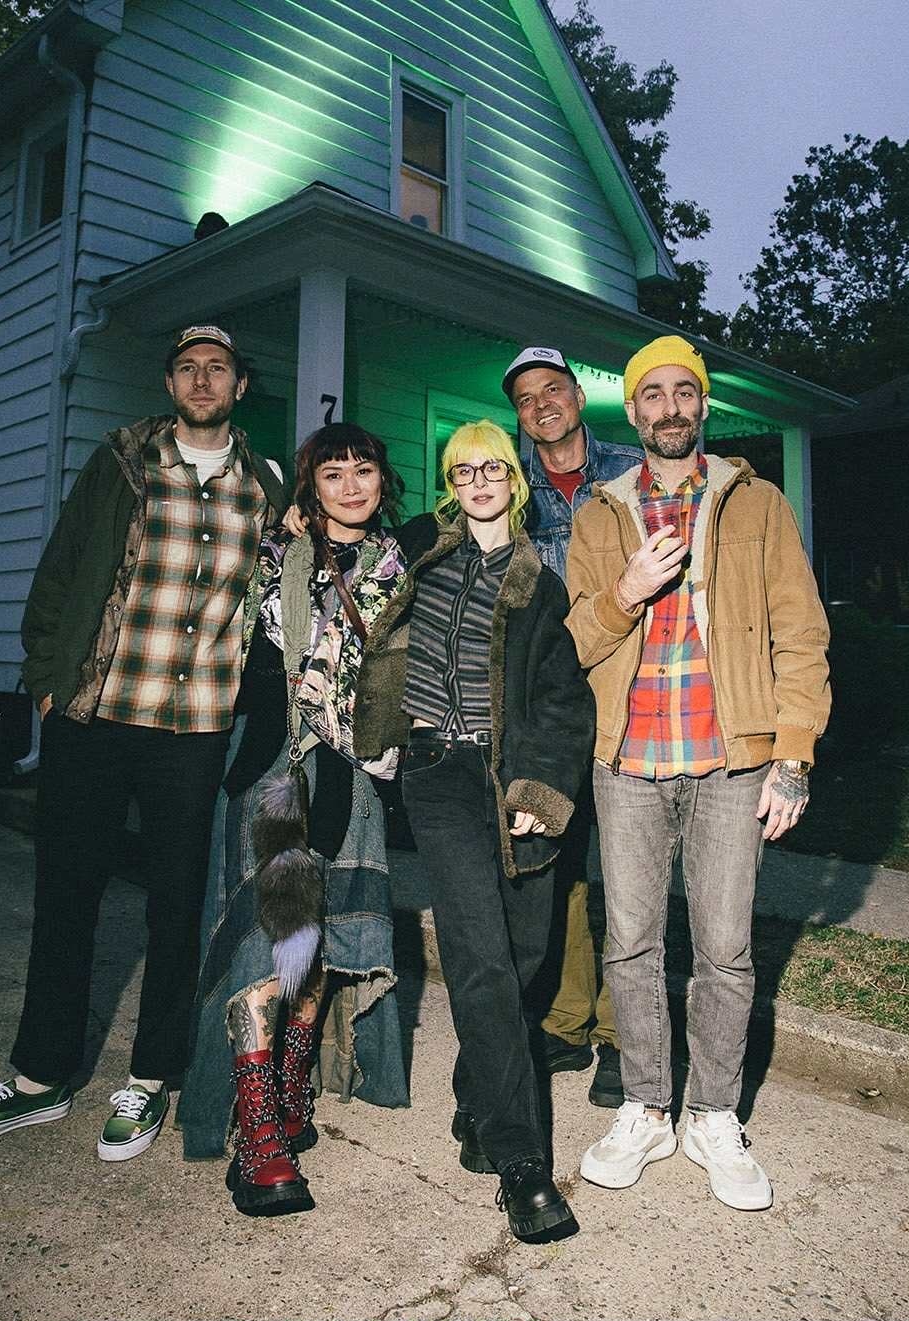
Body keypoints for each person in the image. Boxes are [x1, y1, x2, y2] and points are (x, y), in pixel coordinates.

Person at [0, 326, 287, 1161]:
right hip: (95, 712)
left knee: (176, 907)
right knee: (67, 894)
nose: (202, 379)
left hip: (194, 725)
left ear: (240, 386)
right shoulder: (122, 462)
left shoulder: (266, 485)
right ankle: (40, 1077)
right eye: (188, 368)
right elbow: (60, 570)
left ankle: (151, 1075)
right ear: (170, 382)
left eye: (218, 369)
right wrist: (45, 680)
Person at [568, 335, 830, 1210]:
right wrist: (625, 592)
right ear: (632, 410)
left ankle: (713, 1112)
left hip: (729, 761)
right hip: (628, 761)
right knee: (630, 943)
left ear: (702, 404)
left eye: (684, 391)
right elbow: (574, 639)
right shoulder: (601, 513)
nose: (669, 407)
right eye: (653, 394)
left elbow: (801, 632)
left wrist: (792, 756)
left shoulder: (755, 502)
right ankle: (646, 1106)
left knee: (724, 949)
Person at [352, 420, 595, 1242]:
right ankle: (523, 1164)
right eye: (464, 470)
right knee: (479, 955)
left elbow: (562, 699)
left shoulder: (540, 584)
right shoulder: (417, 552)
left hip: (510, 774)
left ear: (513, 482)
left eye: (494, 467)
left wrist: (540, 790)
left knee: (524, 954)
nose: (480, 480)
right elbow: (343, 536)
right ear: (449, 483)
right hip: (437, 775)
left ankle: (477, 1102)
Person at [178, 423, 410, 1216]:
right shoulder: (274, 553)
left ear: (382, 480)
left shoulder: (398, 564)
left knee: (321, 935)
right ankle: (256, 1129)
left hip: (351, 770)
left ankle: (288, 1088)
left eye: (363, 469)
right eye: (332, 472)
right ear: (310, 485)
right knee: (267, 933)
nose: (350, 484)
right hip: (273, 766)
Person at [502, 345, 640, 1109]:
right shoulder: (508, 488)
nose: (541, 405)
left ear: (578, 396)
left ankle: (623, 1033)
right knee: (561, 865)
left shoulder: (629, 474)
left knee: (625, 869)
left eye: (551, 389)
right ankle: (567, 1019)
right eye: (525, 398)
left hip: (624, 693)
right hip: (547, 709)